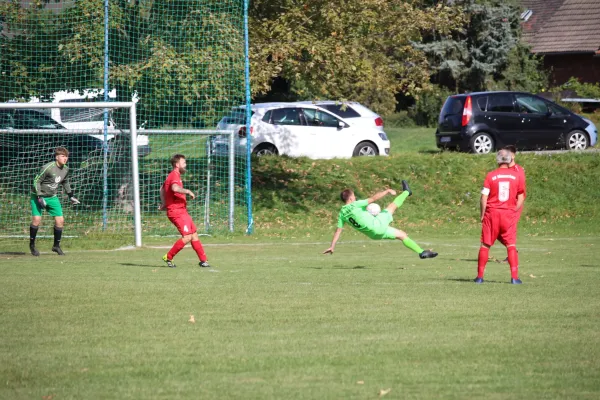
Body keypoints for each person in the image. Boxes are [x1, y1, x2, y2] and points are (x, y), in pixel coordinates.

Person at [323, 180, 438, 259]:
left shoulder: (342, 213)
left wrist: (332, 246)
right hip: (378, 224)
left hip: (373, 235)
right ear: (351, 197)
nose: (355, 197)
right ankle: (407, 192)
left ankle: (422, 252)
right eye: (354, 196)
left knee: (402, 235)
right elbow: (373, 198)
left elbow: (338, 230)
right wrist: (387, 191)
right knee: (392, 206)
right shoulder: (355, 204)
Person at [475, 149, 525, 284]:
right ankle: (514, 278)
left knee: (485, 245)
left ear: (497, 160)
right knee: (511, 245)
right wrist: (514, 209)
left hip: (492, 214)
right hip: (508, 214)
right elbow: (521, 196)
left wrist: (482, 214)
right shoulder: (517, 176)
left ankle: (480, 277)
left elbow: (483, 197)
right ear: (509, 160)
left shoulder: (491, 176)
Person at [159, 154, 211, 268]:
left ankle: (203, 260)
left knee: (194, 235)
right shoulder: (174, 176)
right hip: (176, 212)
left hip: (181, 211)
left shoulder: (173, 175)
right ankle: (168, 257)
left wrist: (164, 203)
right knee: (187, 237)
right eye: (184, 163)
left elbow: (162, 189)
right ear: (177, 165)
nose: (185, 165)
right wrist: (187, 191)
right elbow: (174, 188)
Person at [29, 147, 80, 256]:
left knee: (60, 221)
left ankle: (56, 246)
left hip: (52, 197)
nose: (65, 158)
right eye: (62, 156)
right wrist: (39, 196)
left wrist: (70, 195)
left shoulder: (66, 169)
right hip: (38, 196)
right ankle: (32, 245)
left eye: (66, 156)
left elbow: (65, 182)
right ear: (57, 157)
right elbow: (36, 181)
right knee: (36, 220)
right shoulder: (48, 167)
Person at [501, 145, 526, 263]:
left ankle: (511, 254)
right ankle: (512, 251)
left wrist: (515, 208)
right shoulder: (503, 169)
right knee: (499, 230)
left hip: (514, 205)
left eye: (508, 154)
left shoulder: (518, 171)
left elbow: (521, 192)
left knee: (509, 230)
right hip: (502, 206)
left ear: (513, 155)